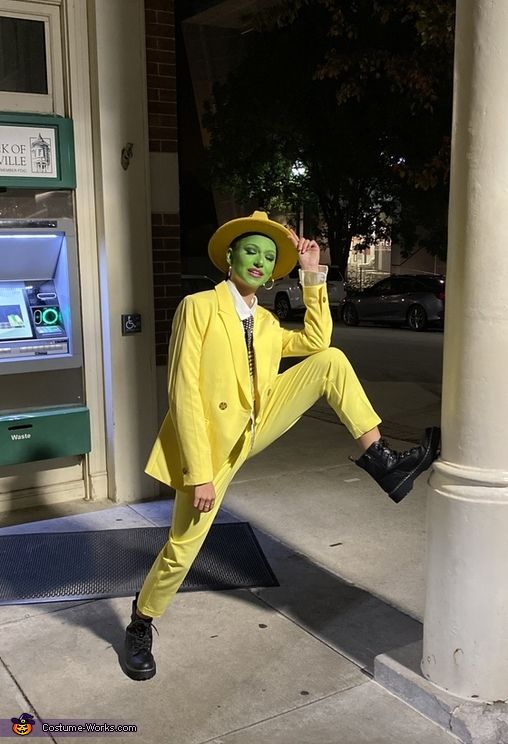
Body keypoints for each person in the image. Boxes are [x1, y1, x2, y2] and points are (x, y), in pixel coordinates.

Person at [123, 211, 440, 681]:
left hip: (256, 423)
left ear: (274, 272)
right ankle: (141, 622)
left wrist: (312, 271)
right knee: (183, 546)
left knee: (330, 360)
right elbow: (183, 392)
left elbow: (317, 339)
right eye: (250, 250)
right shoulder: (198, 307)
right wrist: (199, 472)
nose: (259, 261)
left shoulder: (267, 321)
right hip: (210, 449)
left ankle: (382, 459)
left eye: (269, 256)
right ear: (229, 256)